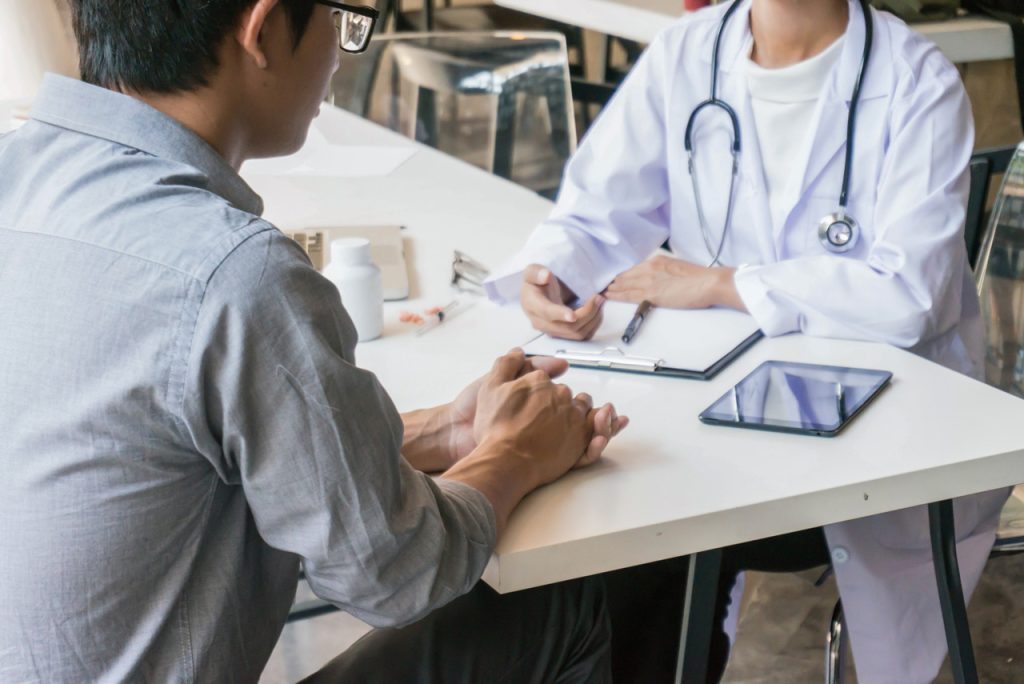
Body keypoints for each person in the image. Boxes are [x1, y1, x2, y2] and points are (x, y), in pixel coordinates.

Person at [0, 1, 631, 681]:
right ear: (264, 29)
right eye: (340, 15)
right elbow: (394, 574)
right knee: (559, 605)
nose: (339, 51)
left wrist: (442, 429)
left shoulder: (18, 175)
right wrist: (517, 454)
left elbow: (163, 454)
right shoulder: (234, 275)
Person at [486, 0, 1010, 681]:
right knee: (606, 528)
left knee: (649, 540)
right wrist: (554, 274)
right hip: (718, 408)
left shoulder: (917, 80)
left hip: (872, 445)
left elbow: (908, 298)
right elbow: (595, 208)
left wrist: (720, 283)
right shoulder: (689, 52)